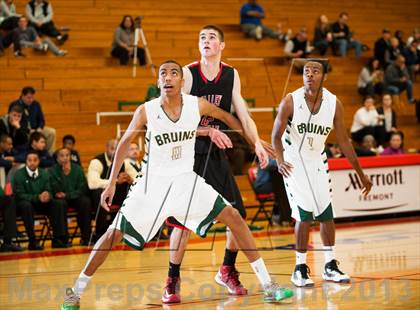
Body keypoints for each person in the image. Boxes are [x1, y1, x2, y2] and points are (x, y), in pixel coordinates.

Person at [60, 60, 293, 309]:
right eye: (164, 74)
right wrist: (111, 184)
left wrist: (255, 141)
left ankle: (269, 285)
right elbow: (125, 144)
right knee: (113, 234)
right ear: (158, 82)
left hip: (185, 182)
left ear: (183, 82)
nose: (169, 77)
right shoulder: (146, 110)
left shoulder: (197, 104)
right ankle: (75, 292)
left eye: (174, 73)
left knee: (234, 216)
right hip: (152, 185)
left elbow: (228, 117)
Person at [163, 25, 274, 303]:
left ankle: (227, 269)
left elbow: (243, 115)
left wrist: (257, 143)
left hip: (216, 149)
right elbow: (173, 119)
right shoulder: (187, 74)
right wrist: (207, 130)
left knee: (237, 215)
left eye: (212, 37)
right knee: (182, 222)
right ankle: (172, 279)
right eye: (202, 37)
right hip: (188, 152)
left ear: (222, 46)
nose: (206, 41)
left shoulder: (231, 75)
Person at [272, 60, 372, 287]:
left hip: (317, 158)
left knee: (327, 213)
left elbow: (344, 141)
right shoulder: (290, 101)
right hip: (293, 161)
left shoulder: (334, 104)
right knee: (304, 213)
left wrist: (360, 173)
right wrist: (279, 160)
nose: (309, 74)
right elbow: (275, 136)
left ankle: (329, 265)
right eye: (306, 71)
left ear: (324, 76)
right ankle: (299, 268)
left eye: (315, 71)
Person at [14, 150, 69, 250]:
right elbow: (19, 195)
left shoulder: (44, 173)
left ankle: (58, 239)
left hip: (42, 203)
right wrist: (37, 197)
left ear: (39, 161)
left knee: (59, 203)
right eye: (29, 160)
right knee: (26, 206)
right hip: (27, 204)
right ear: (26, 161)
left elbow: (49, 188)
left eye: (35, 160)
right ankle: (32, 241)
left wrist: (47, 194)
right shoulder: (19, 174)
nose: (32, 162)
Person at [87, 139, 132, 240]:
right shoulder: (97, 161)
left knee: (132, 191)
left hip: (117, 195)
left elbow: (137, 177)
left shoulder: (125, 162)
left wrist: (131, 179)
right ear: (106, 148)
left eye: (118, 149)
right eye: (113, 148)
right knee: (100, 193)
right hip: (99, 197)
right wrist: (115, 181)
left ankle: (126, 231)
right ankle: (100, 233)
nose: (115, 151)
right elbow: (92, 183)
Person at [49, 148, 92, 245]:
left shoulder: (77, 169)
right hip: (61, 200)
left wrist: (68, 195)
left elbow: (83, 188)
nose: (65, 158)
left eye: (67, 155)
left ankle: (86, 237)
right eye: (62, 155)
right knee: (59, 203)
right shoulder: (52, 171)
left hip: (74, 197)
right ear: (57, 158)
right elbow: (55, 189)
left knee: (85, 201)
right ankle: (62, 238)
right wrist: (64, 175)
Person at [9, 86, 57, 153]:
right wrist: (28, 130)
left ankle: (48, 154)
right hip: (24, 131)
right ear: (22, 95)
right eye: (28, 98)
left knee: (51, 132)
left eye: (32, 97)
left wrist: (40, 128)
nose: (31, 100)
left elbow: (41, 119)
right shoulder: (15, 105)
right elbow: (13, 121)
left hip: (36, 129)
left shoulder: (36, 104)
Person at [253, 158, 291, 226]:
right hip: (262, 186)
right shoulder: (264, 153)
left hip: (271, 183)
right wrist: (284, 160)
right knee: (282, 189)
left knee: (282, 188)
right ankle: (284, 217)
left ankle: (282, 216)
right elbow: (268, 164)